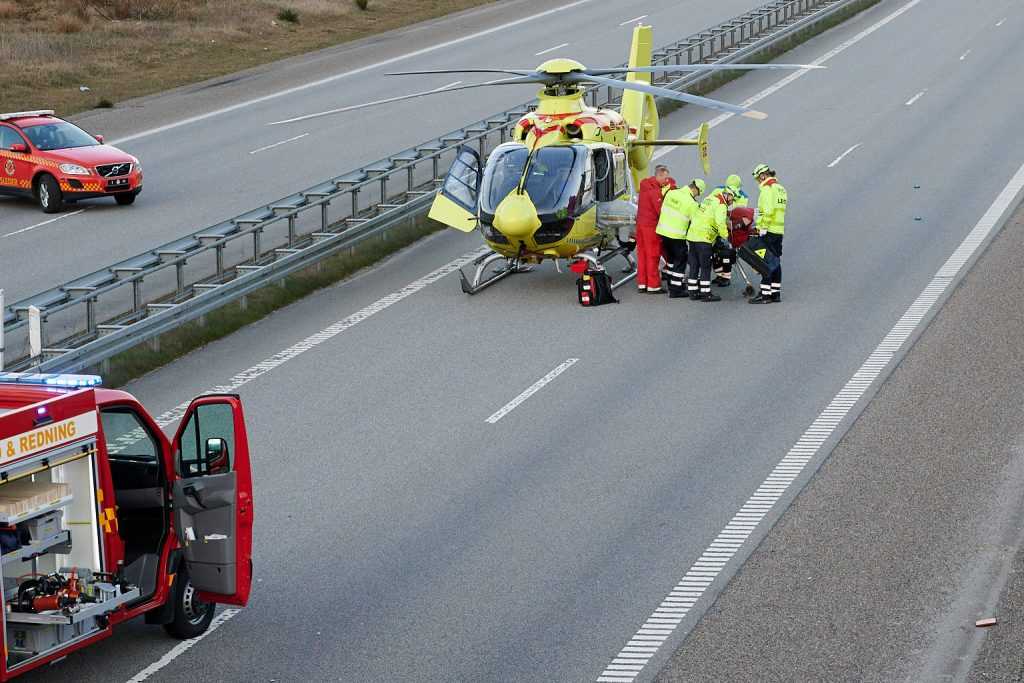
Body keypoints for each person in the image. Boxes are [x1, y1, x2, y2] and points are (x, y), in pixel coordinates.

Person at [656, 178, 705, 297]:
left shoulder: (672, 192)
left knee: (671, 260)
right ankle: (676, 290)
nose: (697, 196)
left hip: (662, 232)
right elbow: (695, 222)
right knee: (681, 261)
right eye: (698, 193)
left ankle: (671, 283)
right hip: (677, 235)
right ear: (696, 189)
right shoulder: (692, 203)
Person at [686, 185, 734, 301]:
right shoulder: (721, 205)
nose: (732, 202)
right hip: (704, 238)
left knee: (694, 264)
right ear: (727, 196)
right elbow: (720, 223)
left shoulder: (709, 199)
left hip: (692, 236)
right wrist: (726, 237)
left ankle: (692, 292)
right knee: (705, 266)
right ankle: (705, 293)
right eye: (732, 199)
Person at [634, 165, 676, 293]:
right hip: (650, 227)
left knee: (642, 255)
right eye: (665, 178)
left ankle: (642, 283)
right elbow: (661, 211)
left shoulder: (645, 185)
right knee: (653, 255)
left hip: (640, 225)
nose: (666, 181)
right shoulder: (655, 191)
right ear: (660, 175)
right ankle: (653, 285)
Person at [749, 163, 787, 304]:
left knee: (765, 262)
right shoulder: (781, 189)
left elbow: (768, 211)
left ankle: (765, 294)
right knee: (776, 261)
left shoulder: (767, 189)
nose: (758, 181)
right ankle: (775, 293)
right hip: (778, 231)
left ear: (763, 175)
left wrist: (762, 227)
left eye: (758, 178)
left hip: (769, 231)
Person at [710, 174, 749, 287]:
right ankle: (722, 275)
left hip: (724, 225)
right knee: (719, 251)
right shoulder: (742, 196)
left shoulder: (720, 190)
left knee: (723, 251)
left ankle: (724, 276)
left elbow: (738, 212)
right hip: (722, 223)